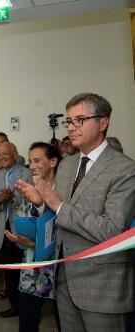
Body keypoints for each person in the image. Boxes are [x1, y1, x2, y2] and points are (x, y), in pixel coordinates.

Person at [17, 93, 134, 332]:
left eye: (79, 120)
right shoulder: (68, 164)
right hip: (65, 280)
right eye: (68, 121)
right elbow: (58, 217)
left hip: (102, 286)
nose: (71, 127)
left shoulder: (124, 169)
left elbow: (112, 230)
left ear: (103, 123)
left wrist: (58, 205)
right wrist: (41, 203)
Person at [5, 142, 62, 332]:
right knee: (27, 322)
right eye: (30, 161)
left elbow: (64, 228)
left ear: (53, 161)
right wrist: (20, 239)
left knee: (65, 322)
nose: (32, 166)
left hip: (60, 270)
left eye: (37, 160)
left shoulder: (66, 191)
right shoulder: (30, 190)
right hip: (32, 270)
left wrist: (32, 242)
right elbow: (23, 221)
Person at [0, 142, 32, 318]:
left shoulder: (27, 174)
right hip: (2, 230)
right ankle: (15, 306)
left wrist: (14, 199)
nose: (2, 157)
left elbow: (33, 203)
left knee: (24, 271)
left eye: (5, 153)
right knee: (9, 271)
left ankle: (28, 308)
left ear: (15, 154)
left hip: (21, 230)